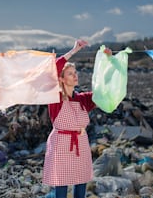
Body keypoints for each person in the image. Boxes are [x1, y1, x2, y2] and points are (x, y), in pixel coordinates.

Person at [42, 39, 112, 198]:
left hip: (80, 143)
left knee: (81, 183)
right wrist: (74, 50)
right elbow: (53, 70)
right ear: (61, 79)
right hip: (60, 143)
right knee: (61, 188)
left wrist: (108, 61)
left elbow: (103, 89)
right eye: (70, 73)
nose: (75, 76)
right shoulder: (55, 98)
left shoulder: (83, 99)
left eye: (75, 73)